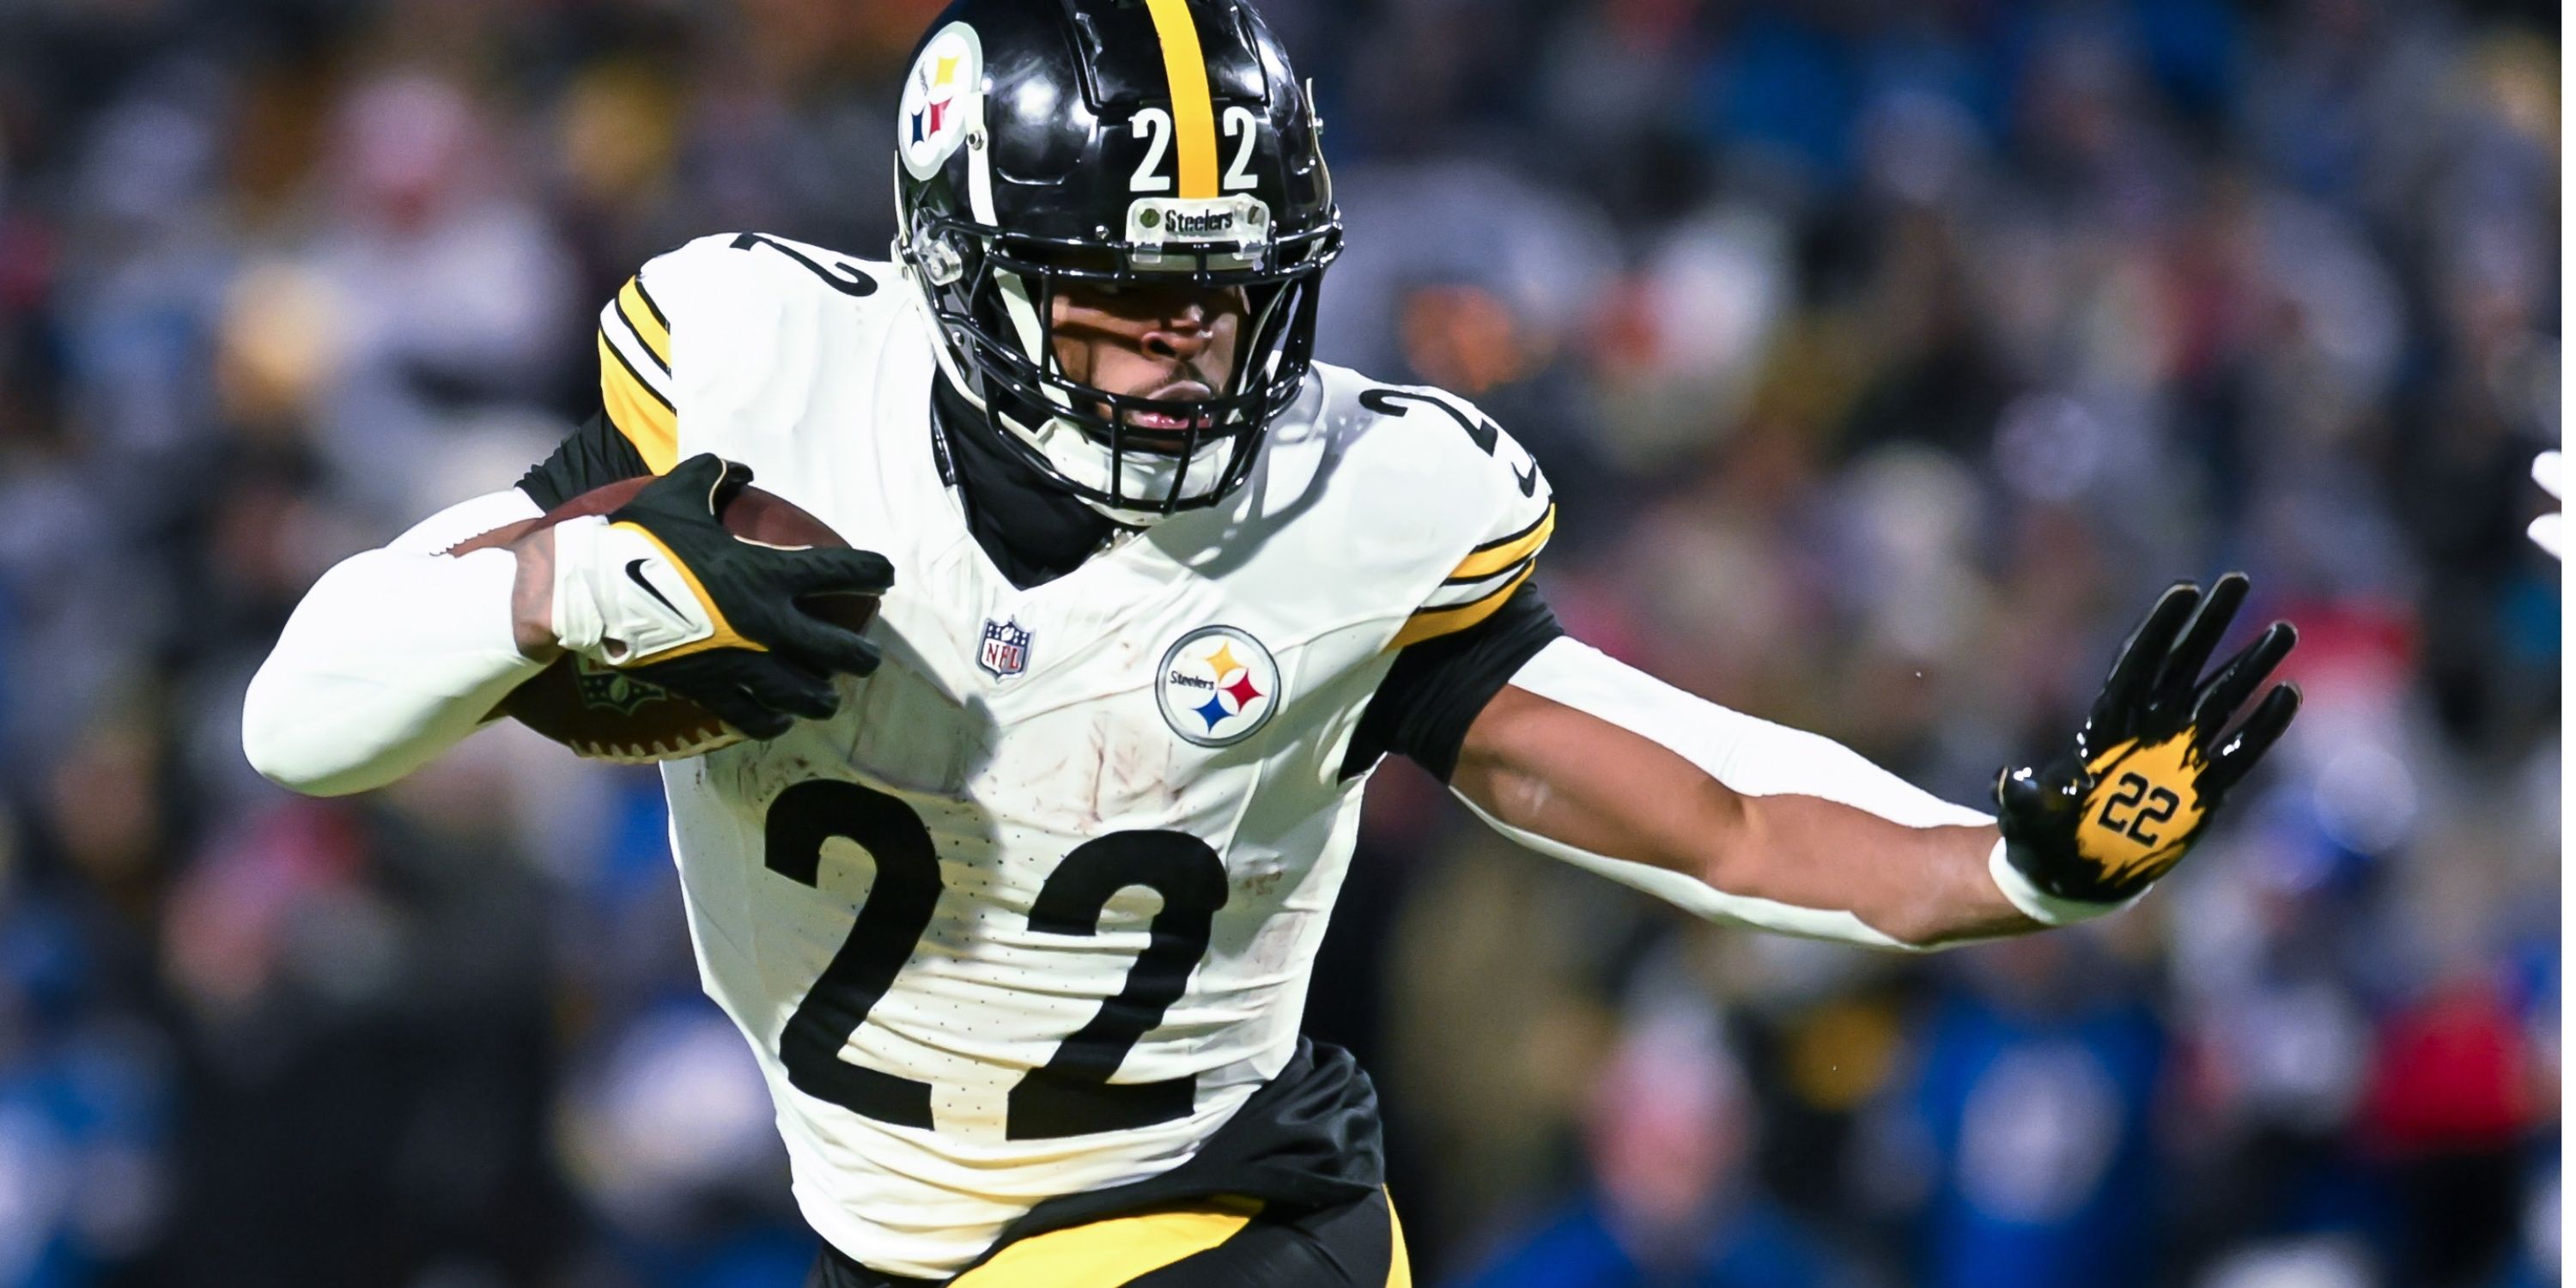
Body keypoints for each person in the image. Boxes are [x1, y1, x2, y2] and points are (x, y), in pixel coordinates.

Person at [239, 0, 2301, 1282]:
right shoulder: (763, 391)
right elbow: (300, 722)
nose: (1184, 356)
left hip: (1210, 1219)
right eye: (1123, 302)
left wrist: (2012, 866)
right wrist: (554, 591)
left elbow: (1718, 815)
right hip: (884, 1234)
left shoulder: (1351, 516)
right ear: (962, 271)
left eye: (1219, 301)